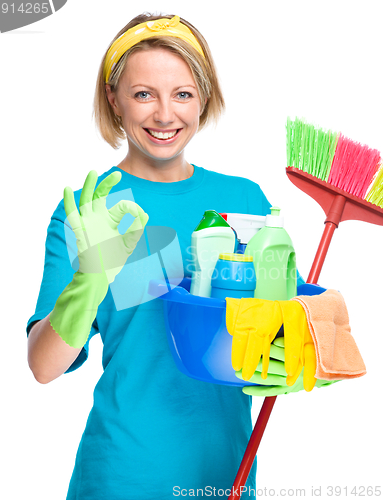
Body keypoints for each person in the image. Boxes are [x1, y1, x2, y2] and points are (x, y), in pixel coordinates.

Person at [27, 13, 282, 499]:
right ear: (114, 99)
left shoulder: (246, 203)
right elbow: (44, 366)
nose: (165, 115)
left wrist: (298, 355)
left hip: (225, 477)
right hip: (121, 477)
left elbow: (274, 331)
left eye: (182, 93)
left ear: (203, 99)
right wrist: (90, 280)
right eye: (144, 93)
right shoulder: (91, 210)